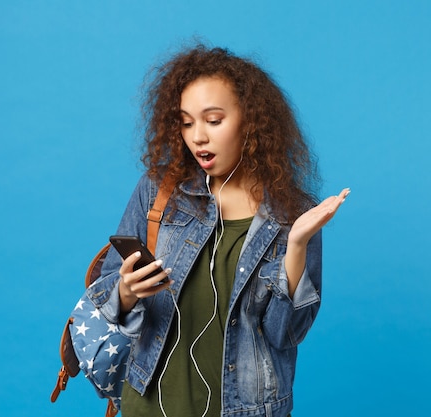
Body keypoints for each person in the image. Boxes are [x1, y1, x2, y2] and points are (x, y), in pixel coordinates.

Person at [86, 43, 349, 417]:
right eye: (187, 122)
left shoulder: (295, 214)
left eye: (213, 120)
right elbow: (106, 290)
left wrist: (296, 244)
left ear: (251, 121)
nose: (197, 137)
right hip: (149, 406)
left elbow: (284, 334)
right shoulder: (159, 191)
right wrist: (126, 291)